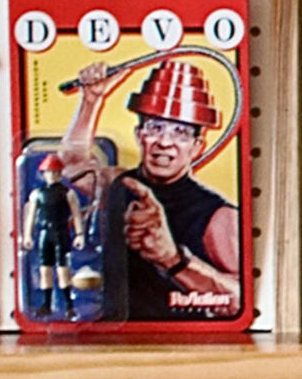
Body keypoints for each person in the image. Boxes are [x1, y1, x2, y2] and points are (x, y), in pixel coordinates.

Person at [56, 50, 247, 321]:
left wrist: (173, 259)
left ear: (197, 147)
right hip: (112, 336)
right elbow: (71, 162)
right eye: (155, 128)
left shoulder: (218, 216)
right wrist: (91, 100)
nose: (165, 142)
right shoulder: (118, 183)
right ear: (139, 135)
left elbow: (239, 299)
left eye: (180, 132)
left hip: (183, 344)